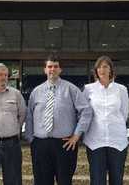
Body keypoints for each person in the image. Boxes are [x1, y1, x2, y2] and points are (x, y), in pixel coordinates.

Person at [25, 54, 93, 185]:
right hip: (40, 144)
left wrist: (76, 135)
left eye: (55, 67)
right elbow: (29, 116)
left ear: (60, 70)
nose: (52, 69)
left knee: (65, 181)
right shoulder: (36, 92)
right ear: (45, 69)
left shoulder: (71, 89)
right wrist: (31, 139)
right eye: (49, 66)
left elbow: (86, 111)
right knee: (41, 181)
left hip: (65, 144)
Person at [83, 55, 129, 185]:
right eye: (99, 67)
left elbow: (124, 114)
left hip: (117, 142)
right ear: (96, 71)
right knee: (97, 181)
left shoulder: (121, 89)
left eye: (105, 66)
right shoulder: (88, 89)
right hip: (95, 142)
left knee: (117, 180)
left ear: (111, 70)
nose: (102, 69)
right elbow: (85, 114)